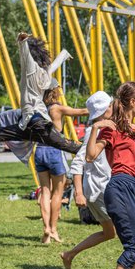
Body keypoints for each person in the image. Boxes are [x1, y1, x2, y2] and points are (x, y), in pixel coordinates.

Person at [60, 91, 135, 269]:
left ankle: (69, 254)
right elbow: (80, 162)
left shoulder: (117, 128)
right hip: (100, 189)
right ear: (103, 111)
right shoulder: (95, 132)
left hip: (110, 186)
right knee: (127, 231)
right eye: (110, 105)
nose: (115, 107)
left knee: (111, 233)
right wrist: (78, 192)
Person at [86, 81, 135, 269]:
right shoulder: (111, 128)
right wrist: (96, 127)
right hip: (120, 186)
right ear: (132, 102)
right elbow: (91, 155)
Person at [36, 82, 89, 242]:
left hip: (39, 150)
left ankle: (45, 228)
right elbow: (82, 111)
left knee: (45, 192)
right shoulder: (57, 109)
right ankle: (53, 229)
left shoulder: (37, 108)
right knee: (57, 193)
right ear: (54, 92)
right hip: (53, 151)